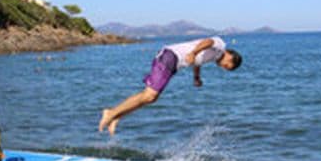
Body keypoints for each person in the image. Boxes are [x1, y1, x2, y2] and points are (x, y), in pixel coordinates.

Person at [98, 36, 242, 135]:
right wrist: (193, 52)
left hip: (174, 64)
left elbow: (197, 62)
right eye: (228, 65)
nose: (224, 67)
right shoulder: (221, 45)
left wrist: (196, 77)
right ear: (230, 55)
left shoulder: (213, 57)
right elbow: (208, 41)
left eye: (226, 68)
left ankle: (117, 116)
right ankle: (110, 113)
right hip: (170, 56)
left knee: (151, 98)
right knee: (150, 95)